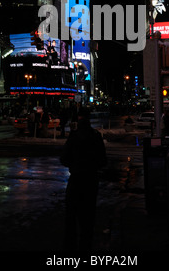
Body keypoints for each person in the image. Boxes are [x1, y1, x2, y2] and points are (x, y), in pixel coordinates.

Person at [60, 107, 107, 253]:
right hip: (91, 180)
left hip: (76, 179)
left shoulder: (74, 136)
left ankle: (70, 248)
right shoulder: (95, 135)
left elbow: (64, 158)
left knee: (71, 217)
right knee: (88, 218)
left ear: (78, 119)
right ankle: (85, 247)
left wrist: (74, 165)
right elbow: (103, 160)